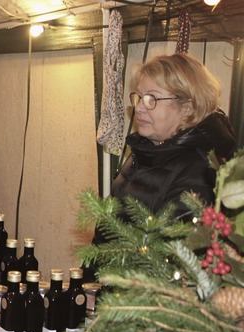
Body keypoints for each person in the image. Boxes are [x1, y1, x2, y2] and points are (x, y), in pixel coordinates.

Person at [84, 53, 237, 281]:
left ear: (187, 106)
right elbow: (107, 234)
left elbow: (168, 265)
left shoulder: (200, 171)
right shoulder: (144, 151)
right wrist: (89, 283)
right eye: (139, 97)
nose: (140, 108)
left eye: (152, 99)